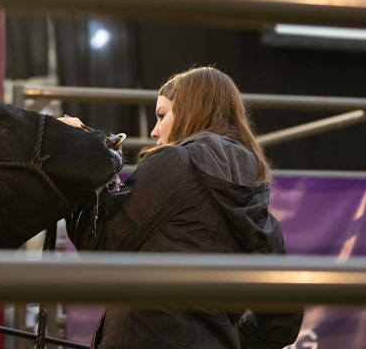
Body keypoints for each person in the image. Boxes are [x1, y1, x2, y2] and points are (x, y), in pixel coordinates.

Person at [60, 66, 303, 348]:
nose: (154, 132)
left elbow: (100, 242)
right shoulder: (256, 195)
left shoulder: (174, 163)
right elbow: (283, 322)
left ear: (190, 111)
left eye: (162, 115)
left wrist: (75, 159)